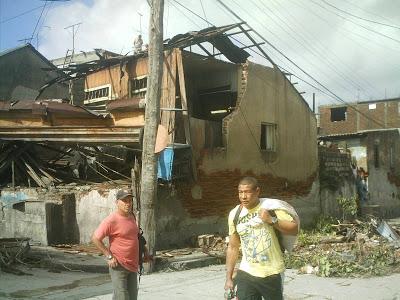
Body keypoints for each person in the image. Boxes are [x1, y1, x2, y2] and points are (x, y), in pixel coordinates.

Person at [224, 177, 299, 300]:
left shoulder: (271, 207)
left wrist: (271, 220)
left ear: (257, 191)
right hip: (246, 271)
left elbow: (294, 229)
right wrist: (228, 278)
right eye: (240, 192)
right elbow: (232, 247)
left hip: (272, 272)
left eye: (247, 192)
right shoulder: (235, 214)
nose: (243, 196)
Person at [92, 189, 148, 300]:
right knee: (122, 297)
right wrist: (109, 256)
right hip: (118, 266)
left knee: (131, 297)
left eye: (130, 200)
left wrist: (145, 251)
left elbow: (137, 236)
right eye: (124, 201)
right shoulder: (111, 220)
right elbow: (95, 238)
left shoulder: (132, 216)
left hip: (133, 266)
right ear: (117, 202)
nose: (128, 203)